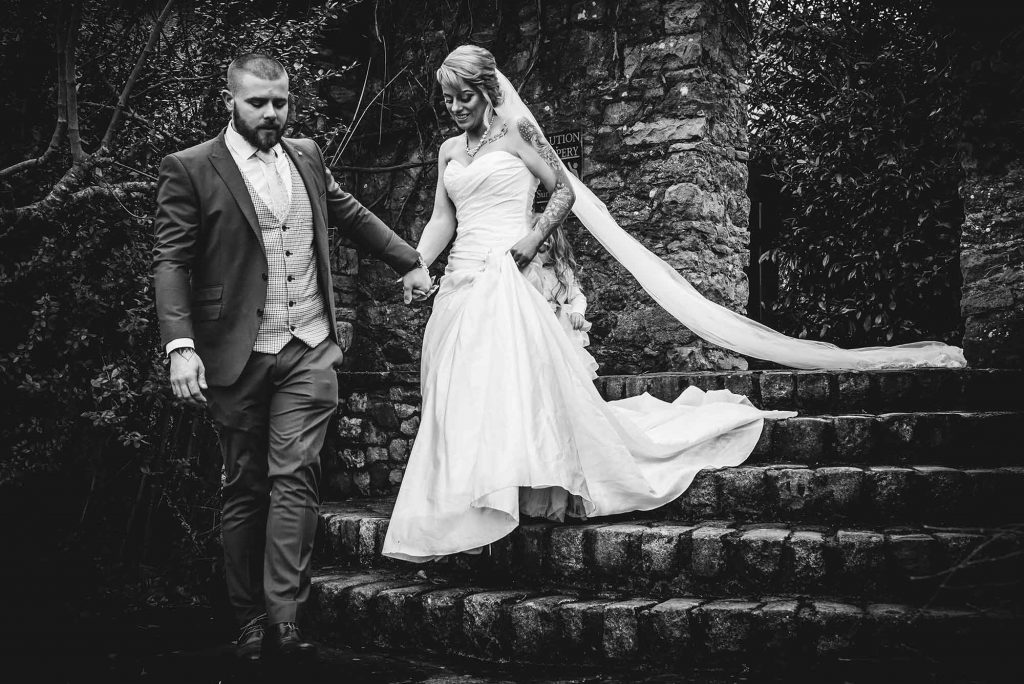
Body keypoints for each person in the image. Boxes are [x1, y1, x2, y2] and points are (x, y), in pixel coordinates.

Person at [381, 44, 965, 563]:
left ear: (488, 90)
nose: (455, 108)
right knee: (464, 386)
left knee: (506, 385)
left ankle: (518, 488)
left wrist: (532, 239)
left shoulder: (517, 133)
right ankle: (470, 498)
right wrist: (417, 263)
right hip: (461, 280)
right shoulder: (448, 151)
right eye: (448, 99)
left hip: (509, 274)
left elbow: (562, 189)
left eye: (464, 96)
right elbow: (442, 219)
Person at [152, 54, 432, 662]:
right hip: (236, 354)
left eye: (279, 102)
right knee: (245, 486)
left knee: (296, 475)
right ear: (230, 100)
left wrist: (409, 260)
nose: (271, 113)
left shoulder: (306, 155)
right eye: (257, 102)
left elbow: (349, 212)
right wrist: (181, 346)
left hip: (308, 345)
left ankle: (284, 619)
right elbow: (171, 260)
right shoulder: (192, 168)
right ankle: (249, 618)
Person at [522, 225, 599, 379]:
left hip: (559, 326)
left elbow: (577, 296)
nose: (538, 254)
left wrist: (577, 312)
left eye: (544, 249)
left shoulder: (562, 270)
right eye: (536, 248)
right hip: (535, 325)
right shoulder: (527, 271)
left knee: (564, 364)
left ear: (554, 248)